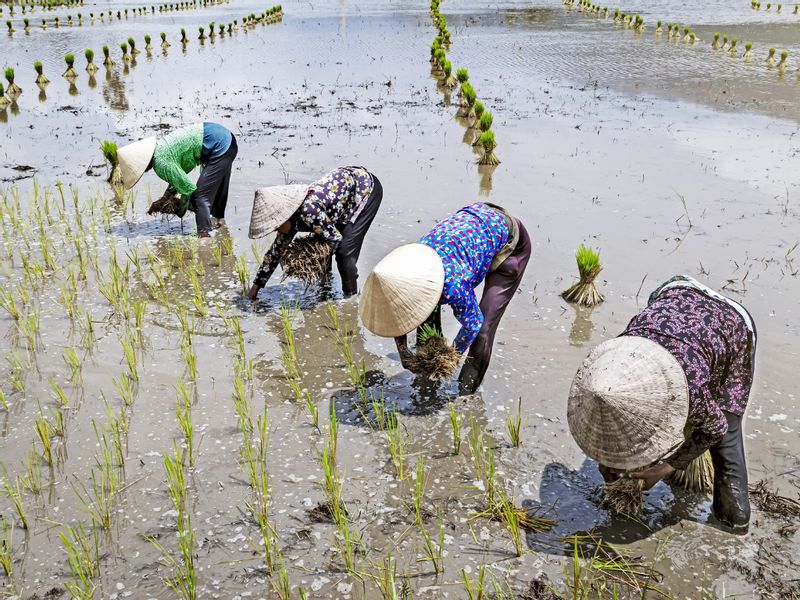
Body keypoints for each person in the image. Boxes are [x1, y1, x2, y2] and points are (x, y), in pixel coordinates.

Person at [567, 275, 757, 534]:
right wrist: (606, 459)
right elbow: (618, 422)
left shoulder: (689, 380)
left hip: (731, 324)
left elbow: (716, 428)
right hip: (672, 295)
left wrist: (666, 469)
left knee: (727, 439)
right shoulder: (614, 361)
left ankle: (733, 524)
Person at [359, 202, 530, 394]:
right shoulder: (408, 266)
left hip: (510, 242)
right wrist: (403, 350)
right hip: (473, 224)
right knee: (425, 314)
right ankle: (426, 375)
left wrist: (450, 357)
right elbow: (399, 310)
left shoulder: (451, 285)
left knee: (482, 330)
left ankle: (466, 394)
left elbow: (473, 324)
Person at [247, 166, 382, 299]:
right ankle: (326, 286)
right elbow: (274, 253)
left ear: (285, 216)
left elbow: (335, 238)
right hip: (340, 199)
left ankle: (351, 298)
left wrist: (309, 258)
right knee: (322, 238)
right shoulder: (290, 220)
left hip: (365, 189)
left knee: (344, 253)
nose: (276, 230)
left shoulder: (309, 211)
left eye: (276, 226)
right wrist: (254, 290)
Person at [117, 122, 238, 237]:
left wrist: (180, 210)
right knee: (220, 191)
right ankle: (221, 225)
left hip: (219, 146)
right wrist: (168, 196)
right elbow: (179, 175)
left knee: (199, 197)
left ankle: (204, 239)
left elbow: (188, 188)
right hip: (227, 140)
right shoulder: (162, 147)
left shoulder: (160, 162)